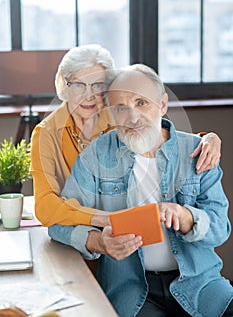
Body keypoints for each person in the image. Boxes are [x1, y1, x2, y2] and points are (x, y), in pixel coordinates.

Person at [48, 64, 233, 317]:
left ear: (163, 105)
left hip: (201, 285)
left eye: (142, 103)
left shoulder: (199, 152)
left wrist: (186, 217)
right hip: (131, 291)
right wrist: (99, 242)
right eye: (121, 108)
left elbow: (220, 229)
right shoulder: (96, 156)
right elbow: (59, 222)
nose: (132, 117)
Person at [30, 44, 221, 230]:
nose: (88, 96)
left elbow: (159, 137)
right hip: (80, 238)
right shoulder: (47, 133)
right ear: (65, 85)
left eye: (98, 85)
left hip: (126, 241)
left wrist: (207, 139)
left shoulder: (118, 114)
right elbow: (45, 206)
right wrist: (107, 219)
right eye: (79, 85)